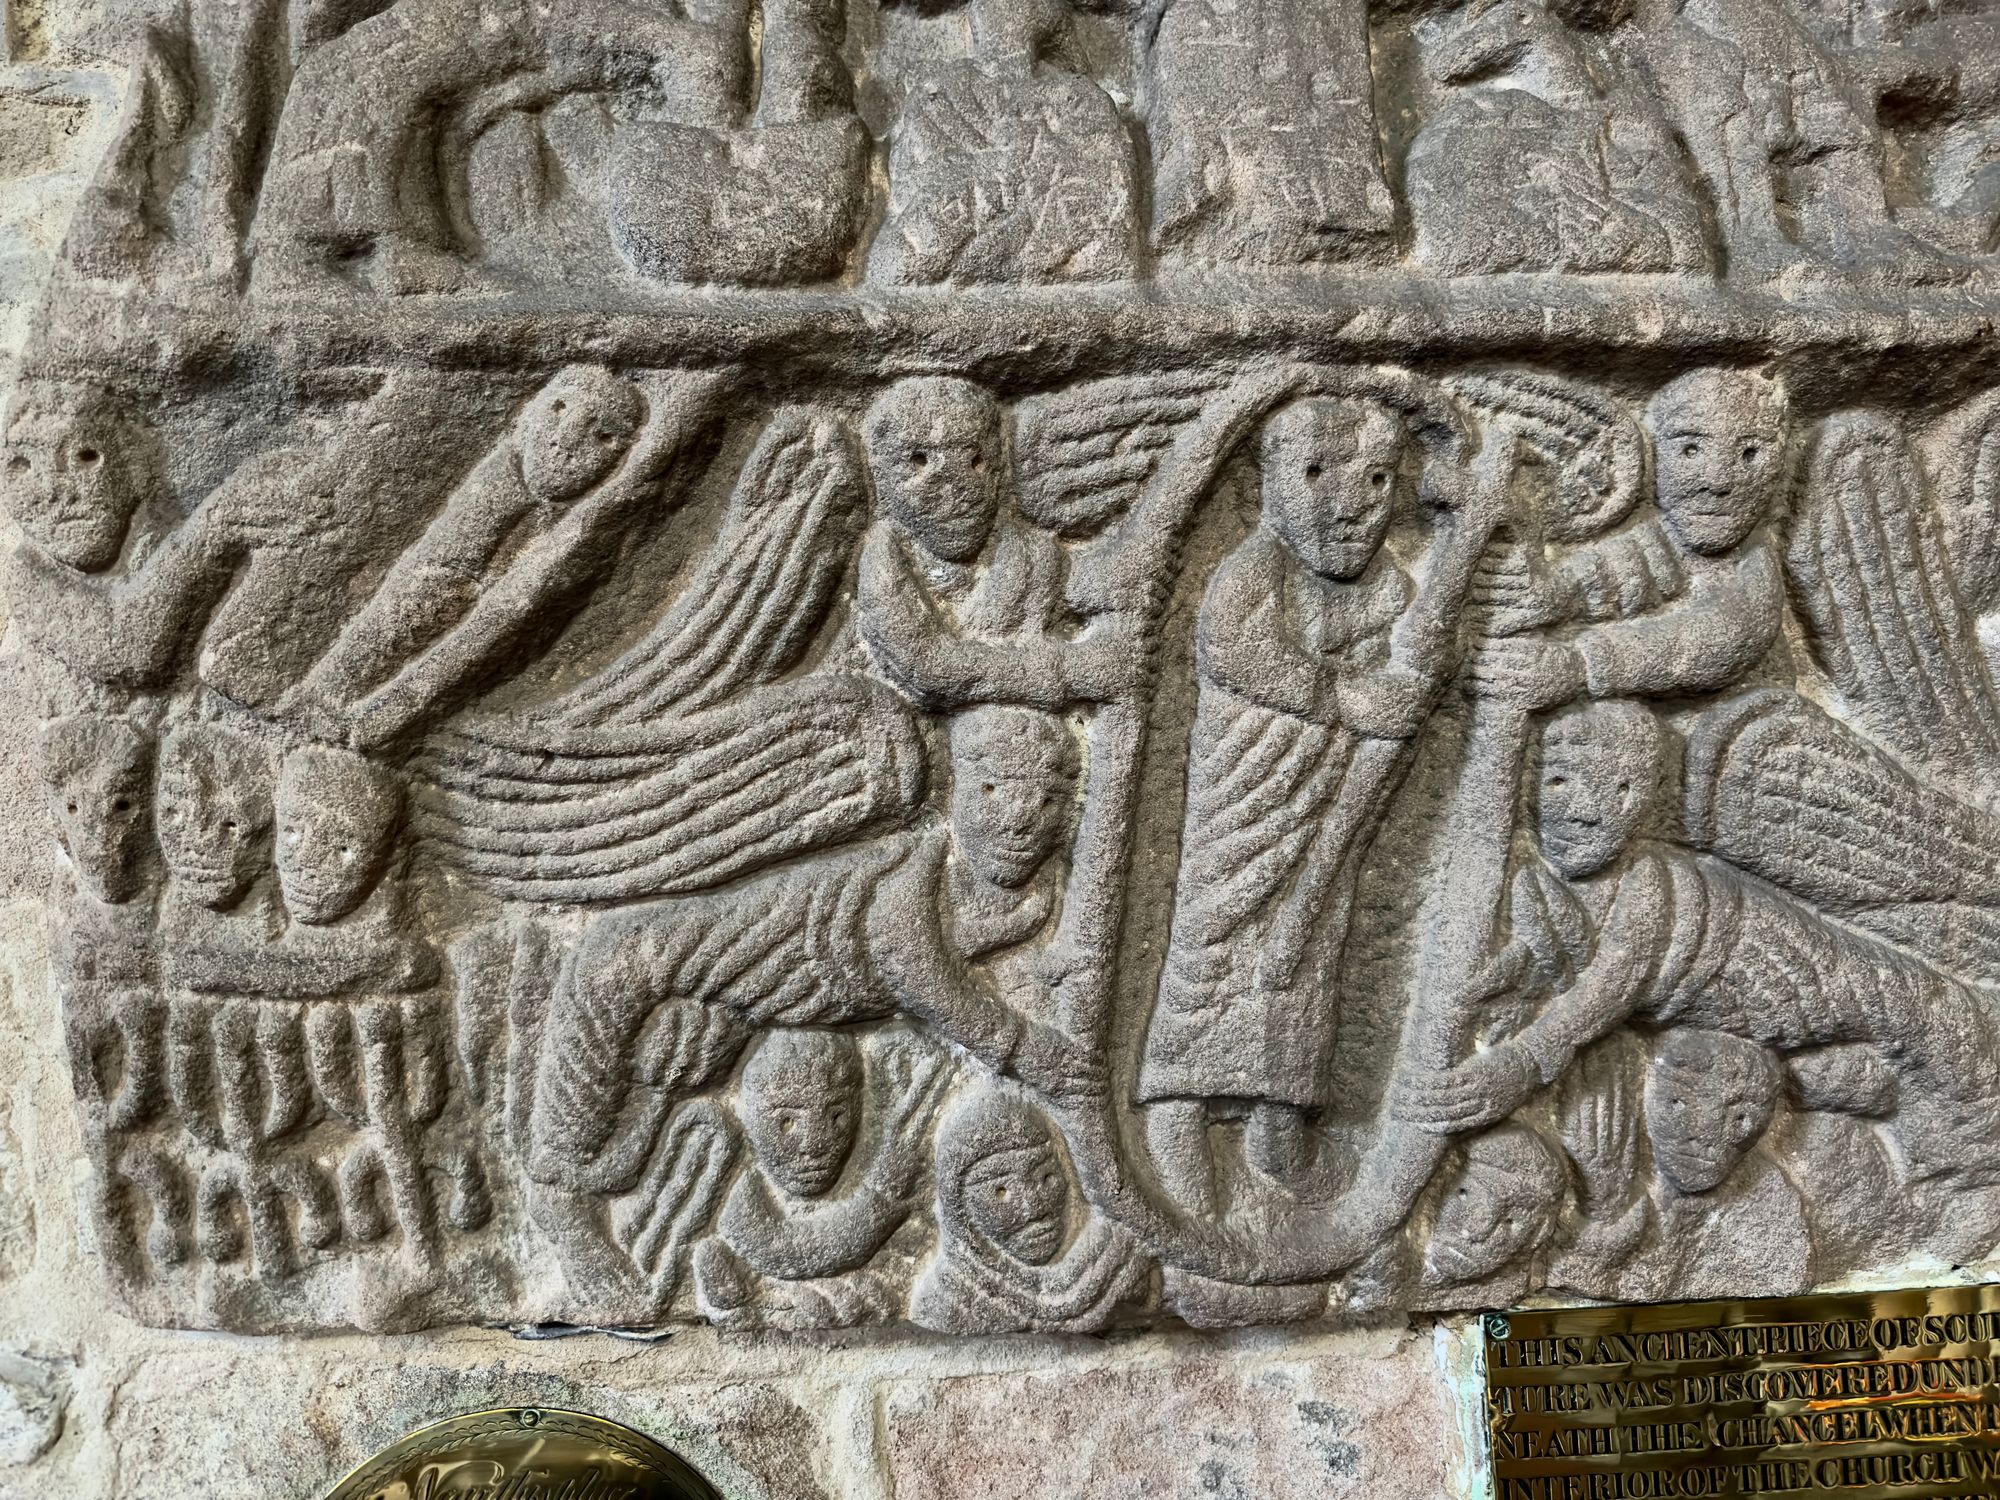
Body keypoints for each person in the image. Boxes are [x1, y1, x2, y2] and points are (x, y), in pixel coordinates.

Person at [1136, 396, 1505, 1206]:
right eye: (1315, 474)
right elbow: (1236, 651)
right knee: (1211, 949)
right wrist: (1349, 699)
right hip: (1245, 806)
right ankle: (1178, 1120)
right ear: (1268, 485)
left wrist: (1416, 673)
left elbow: (1418, 663)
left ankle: (1279, 1139)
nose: (1350, 506)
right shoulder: (1250, 574)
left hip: (1332, 810)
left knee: (1309, 960)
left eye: (1376, 482)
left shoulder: (1388, 588)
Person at [526, 706, 1101, 1193]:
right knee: (609, 968)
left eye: (1047, 801)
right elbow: (912, 965)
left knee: (677, 1057)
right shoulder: (914, 874)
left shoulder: (1037, 899)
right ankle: (561, 1160)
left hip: (774, 995)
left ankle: (593, 1157)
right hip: (706, 946)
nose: (1020, 820)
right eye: (993, 792)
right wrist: (1021, 1047)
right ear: (959, 796)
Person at [1398, 702, 2000, 1137]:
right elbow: (1548, 950)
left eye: (1619, 789)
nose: (1584, 809)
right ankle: (1874, 1090)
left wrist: (1524, 1062)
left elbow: (1608, 988)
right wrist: (1490, 987)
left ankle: (1958, 1101)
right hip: (1722, 1011)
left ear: (1641, 801)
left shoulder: (1647, 885)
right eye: (1557, 780)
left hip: (1770, 969)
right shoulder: (1538, 884)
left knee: (1905, 1007)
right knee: (1866, 1053)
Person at [855, 376, 1138, 714]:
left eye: (975, 460)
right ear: (883, 480)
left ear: (999, 468)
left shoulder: (1032, 556)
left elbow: (1100, 583)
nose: (956, 489)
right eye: (919, 461)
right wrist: (1075, 669)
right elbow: (928, 667)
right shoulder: (883, 564)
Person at [870, 0, 1138, 285]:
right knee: (902, 255)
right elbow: (912, 183)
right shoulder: (941, 92)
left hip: (1038, 233)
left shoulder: (1075, 98)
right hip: (959, 224)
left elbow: (1106, 206)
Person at [693, 1031, 946, 1328]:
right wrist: (883, 1197)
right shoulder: (737, 1203)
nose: (815, 1144)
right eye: (787, 1122)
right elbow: (779, 1248)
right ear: (746, 1117)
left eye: (836, 1116)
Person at [909, 1089, 1149, 1333]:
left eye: (1046, 1178)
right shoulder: (947, 1302)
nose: (1033, 1209)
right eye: (1000, 1191)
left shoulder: (1116, 1262)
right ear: (959, 1208)